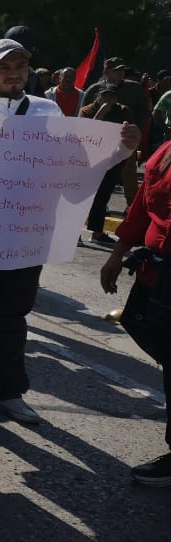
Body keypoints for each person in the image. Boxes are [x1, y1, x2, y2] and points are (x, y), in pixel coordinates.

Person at [0, 39, 140, 427]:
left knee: (13, 317)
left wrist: (120, 151)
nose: (14, 72)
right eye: (4, 66)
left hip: (24, 234)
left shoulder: (48, 112)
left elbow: (76, 171)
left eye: (20, 65)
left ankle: (8, 392)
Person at [100, 139, 171, 486]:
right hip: (157, 278)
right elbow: (142, 205)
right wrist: (118, 253)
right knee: (139, 325)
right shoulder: (165, 150)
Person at [81, 88, 133, 247]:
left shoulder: (122, 110)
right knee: (82, 197)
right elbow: (88, 131)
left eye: (112, 96)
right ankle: (73, 233)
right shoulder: (87, 110)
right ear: (98, 97)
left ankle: (97, 233)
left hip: (111, 160)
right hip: (89, 160)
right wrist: (102, 112)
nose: (108, 99)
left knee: (102, 198)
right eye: (105, 96)